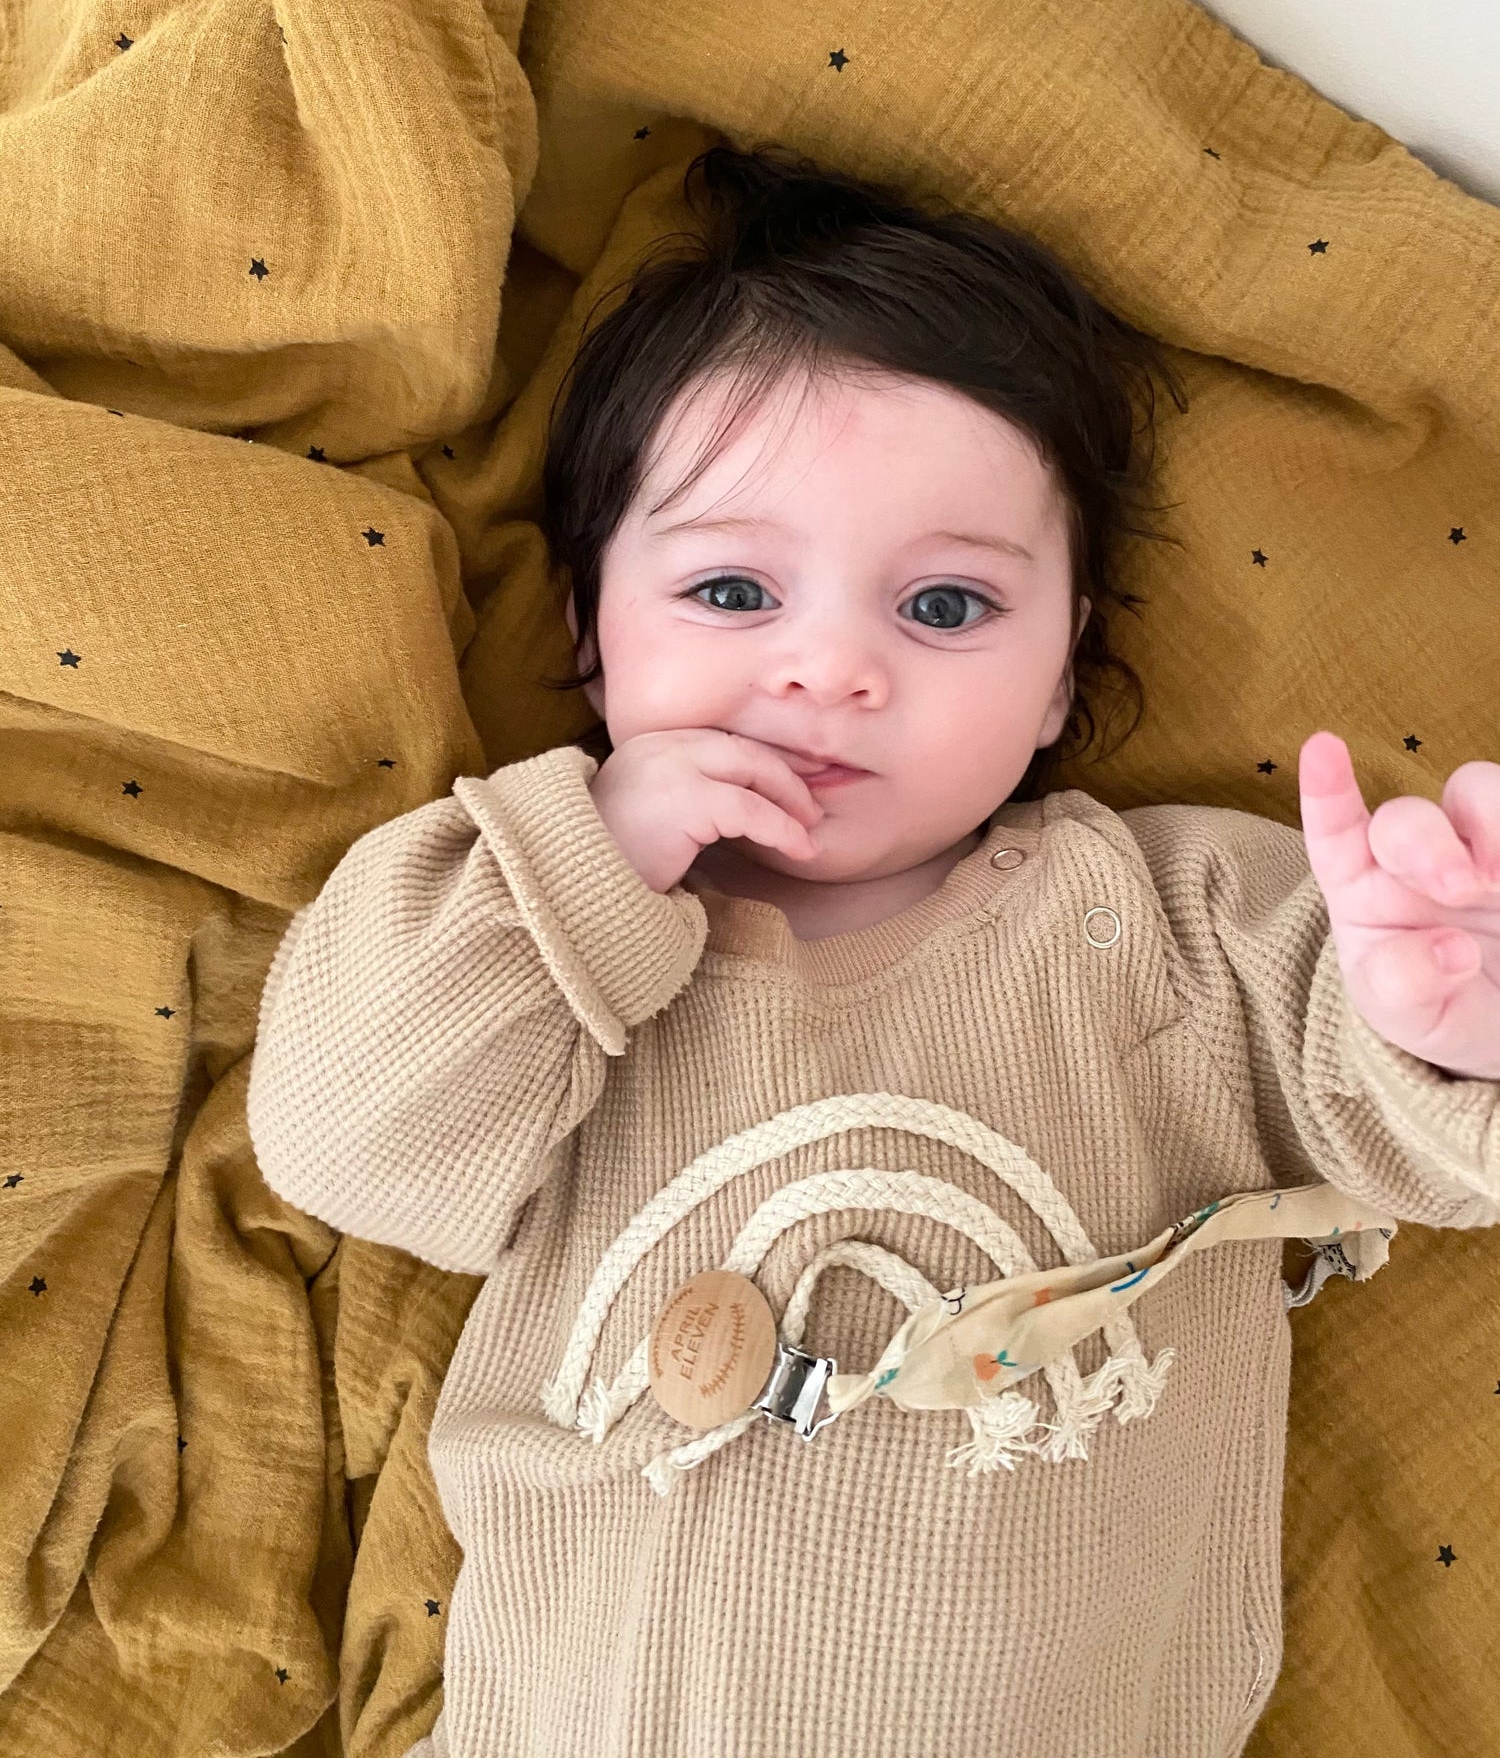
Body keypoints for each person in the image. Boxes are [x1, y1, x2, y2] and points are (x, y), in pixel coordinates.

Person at [247, 144, 1500, 1758]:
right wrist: (582, 861)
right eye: (731, 587)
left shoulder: (1168, 924)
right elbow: (350, 1146)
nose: (831, 666)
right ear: (588, 631)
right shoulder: (536, 938)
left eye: (947, 611)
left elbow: (1398, 1123)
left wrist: (1443, 1022)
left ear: (1062, 683)